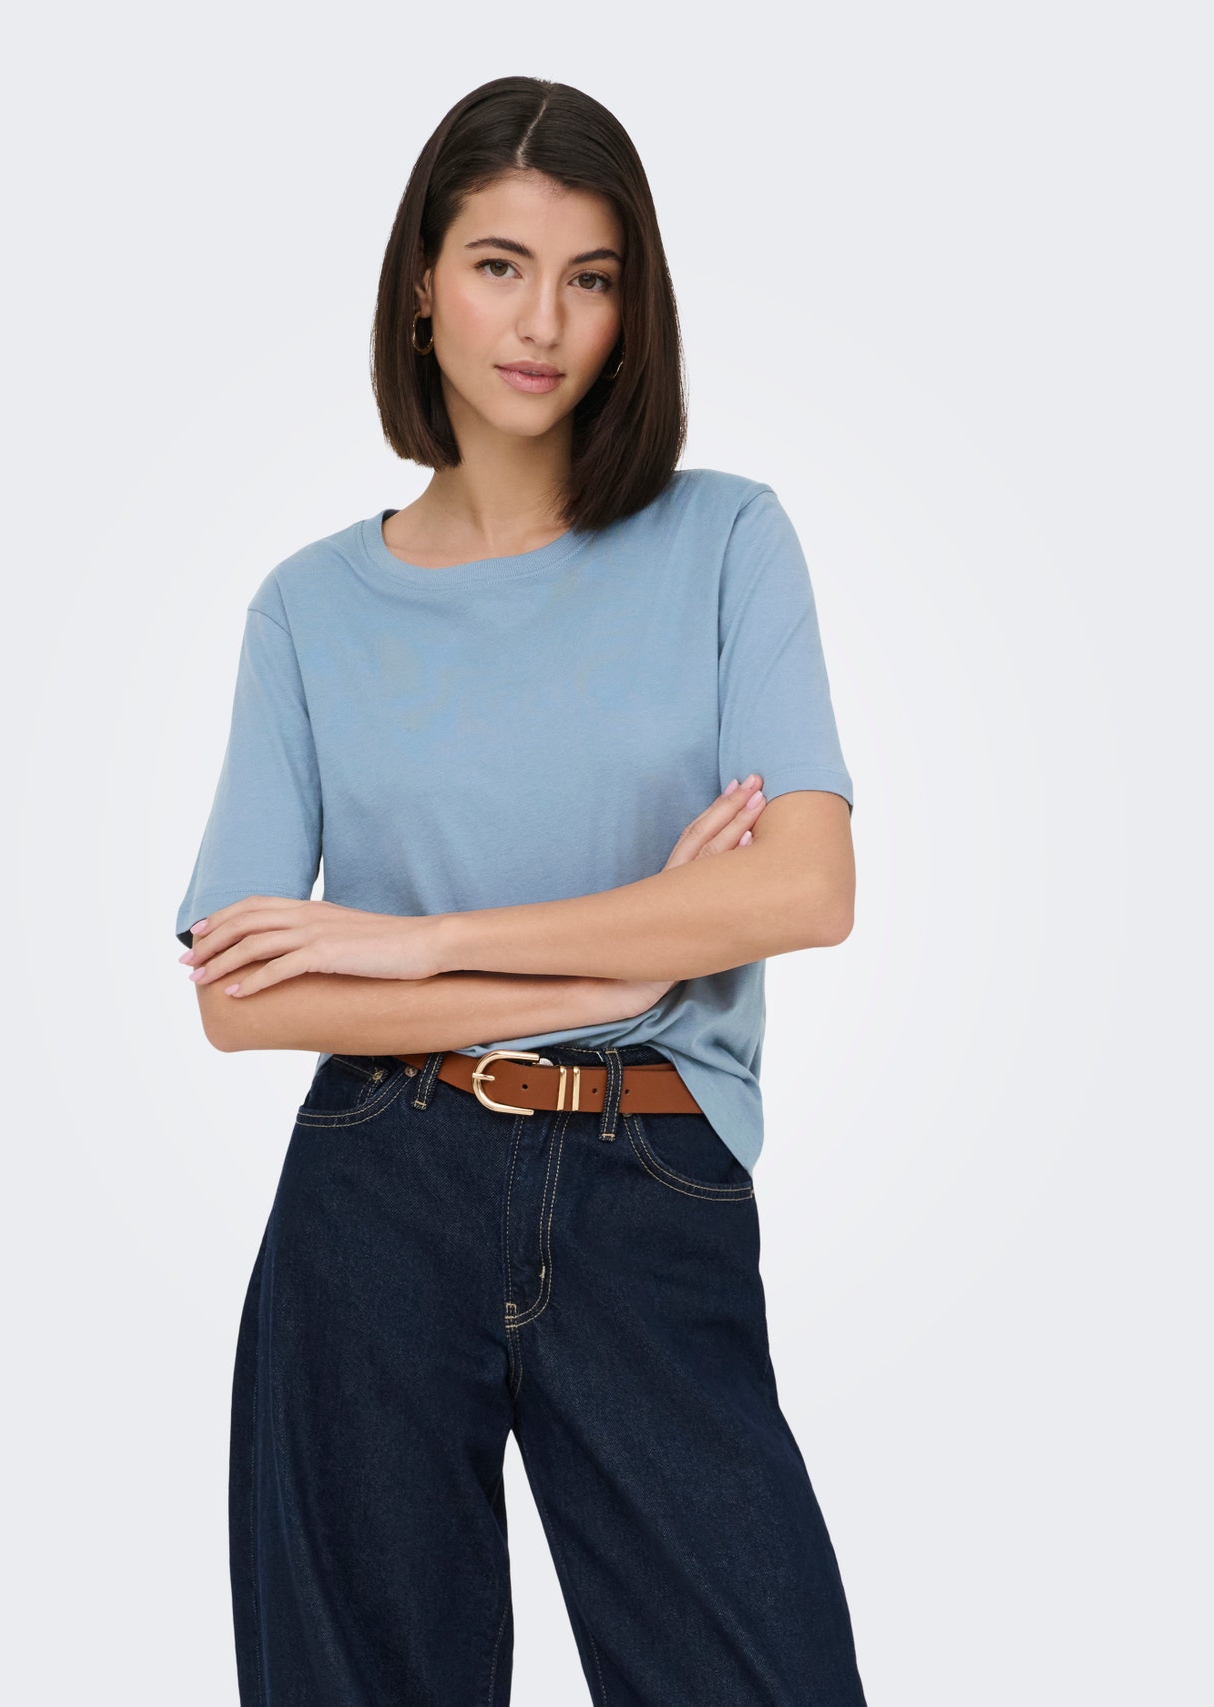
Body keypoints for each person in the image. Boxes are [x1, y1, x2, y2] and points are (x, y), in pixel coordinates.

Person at [175, 74, 867, 1707]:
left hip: (651, 1176)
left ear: (636, 306)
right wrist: (609, 973)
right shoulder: (309, 611)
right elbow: (239, 996)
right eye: (499, 265)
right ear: (423, 283)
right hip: (375, 1186)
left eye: (590, 276)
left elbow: (807, 889)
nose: (543, 321)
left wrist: (418, 946)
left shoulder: (727, 543)